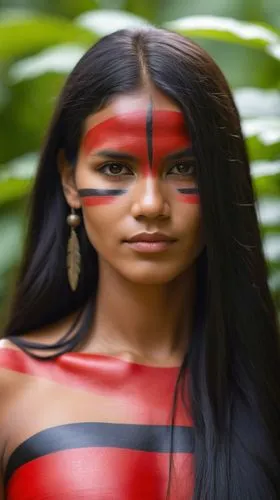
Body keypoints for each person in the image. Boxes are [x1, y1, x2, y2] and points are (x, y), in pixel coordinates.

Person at [0, 26, 279, 500]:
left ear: (221, 181)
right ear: (70, 180)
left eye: (184, 168)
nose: (151, 204)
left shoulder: (268, 390)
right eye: (116, 169)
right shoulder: (9, 386)